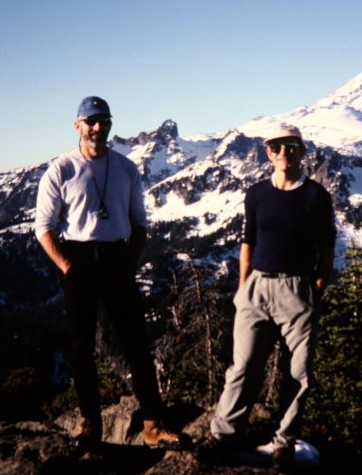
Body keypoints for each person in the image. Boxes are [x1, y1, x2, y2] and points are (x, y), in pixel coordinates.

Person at [34, 96, 185, 450]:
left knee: (136, 343)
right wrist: (68, 267)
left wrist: (128, 262)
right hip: (79, 257)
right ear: (78, 125)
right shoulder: (61, 169)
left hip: (117, 256)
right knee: (80, 346)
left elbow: (139, 224)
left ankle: (152, 424)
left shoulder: (126, 168)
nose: (99, 128)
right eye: (92, 121)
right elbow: (43, 227)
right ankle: (90, 424)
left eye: (105, 121)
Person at [194, 123, 336, 469]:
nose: (283, 153)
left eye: (290, 146)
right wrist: (244, 288)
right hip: (256, 288)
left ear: (302, 151)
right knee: (242, 367)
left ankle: (284, 445)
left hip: (297, 290)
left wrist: (316, 288)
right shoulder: (256, 194)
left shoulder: (317, 196)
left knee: (297, 373)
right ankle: (223, 437)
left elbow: (327, 248)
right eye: (276, 147)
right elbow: (248, 243)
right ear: (267, 152)